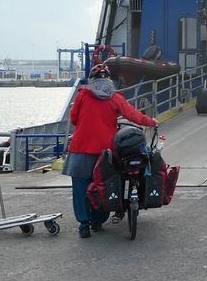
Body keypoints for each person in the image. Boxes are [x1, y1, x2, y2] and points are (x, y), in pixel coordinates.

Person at [62, 64, 157, 238]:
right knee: (105, 185)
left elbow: (74, 118)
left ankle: (84, 224)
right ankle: (98, 220)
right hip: (105, 151)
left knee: (80, 187)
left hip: (81, 148)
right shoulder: (114, 97)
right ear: (108, 79)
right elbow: (132, 115)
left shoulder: (83, 95)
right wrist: (150, 121)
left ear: (92, 79)